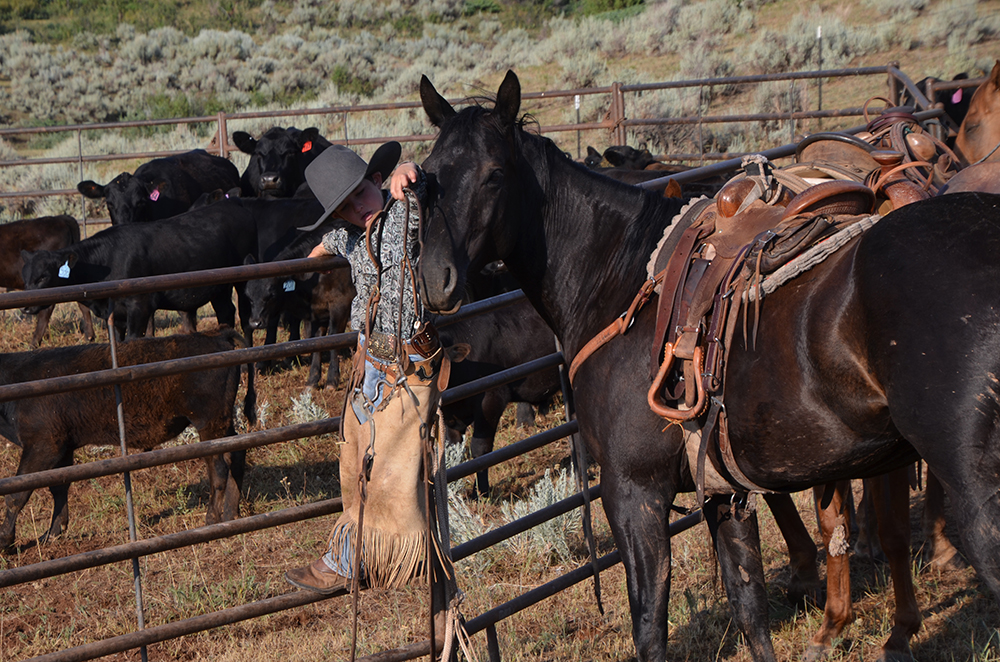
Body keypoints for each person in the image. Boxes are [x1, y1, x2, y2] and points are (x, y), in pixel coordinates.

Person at [284, 141, 449, 595]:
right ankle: (359, 554)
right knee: (355, 457)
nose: (359, 208)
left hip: (405, 362)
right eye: (346, 207)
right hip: (368, 361)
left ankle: (353, 560)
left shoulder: (402, 214)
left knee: (387, 463)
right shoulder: (352, 236)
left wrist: (408, 171)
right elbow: (335, 239)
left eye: (361, 193)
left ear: (377, 181)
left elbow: (424, 186)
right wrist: (321, 246)